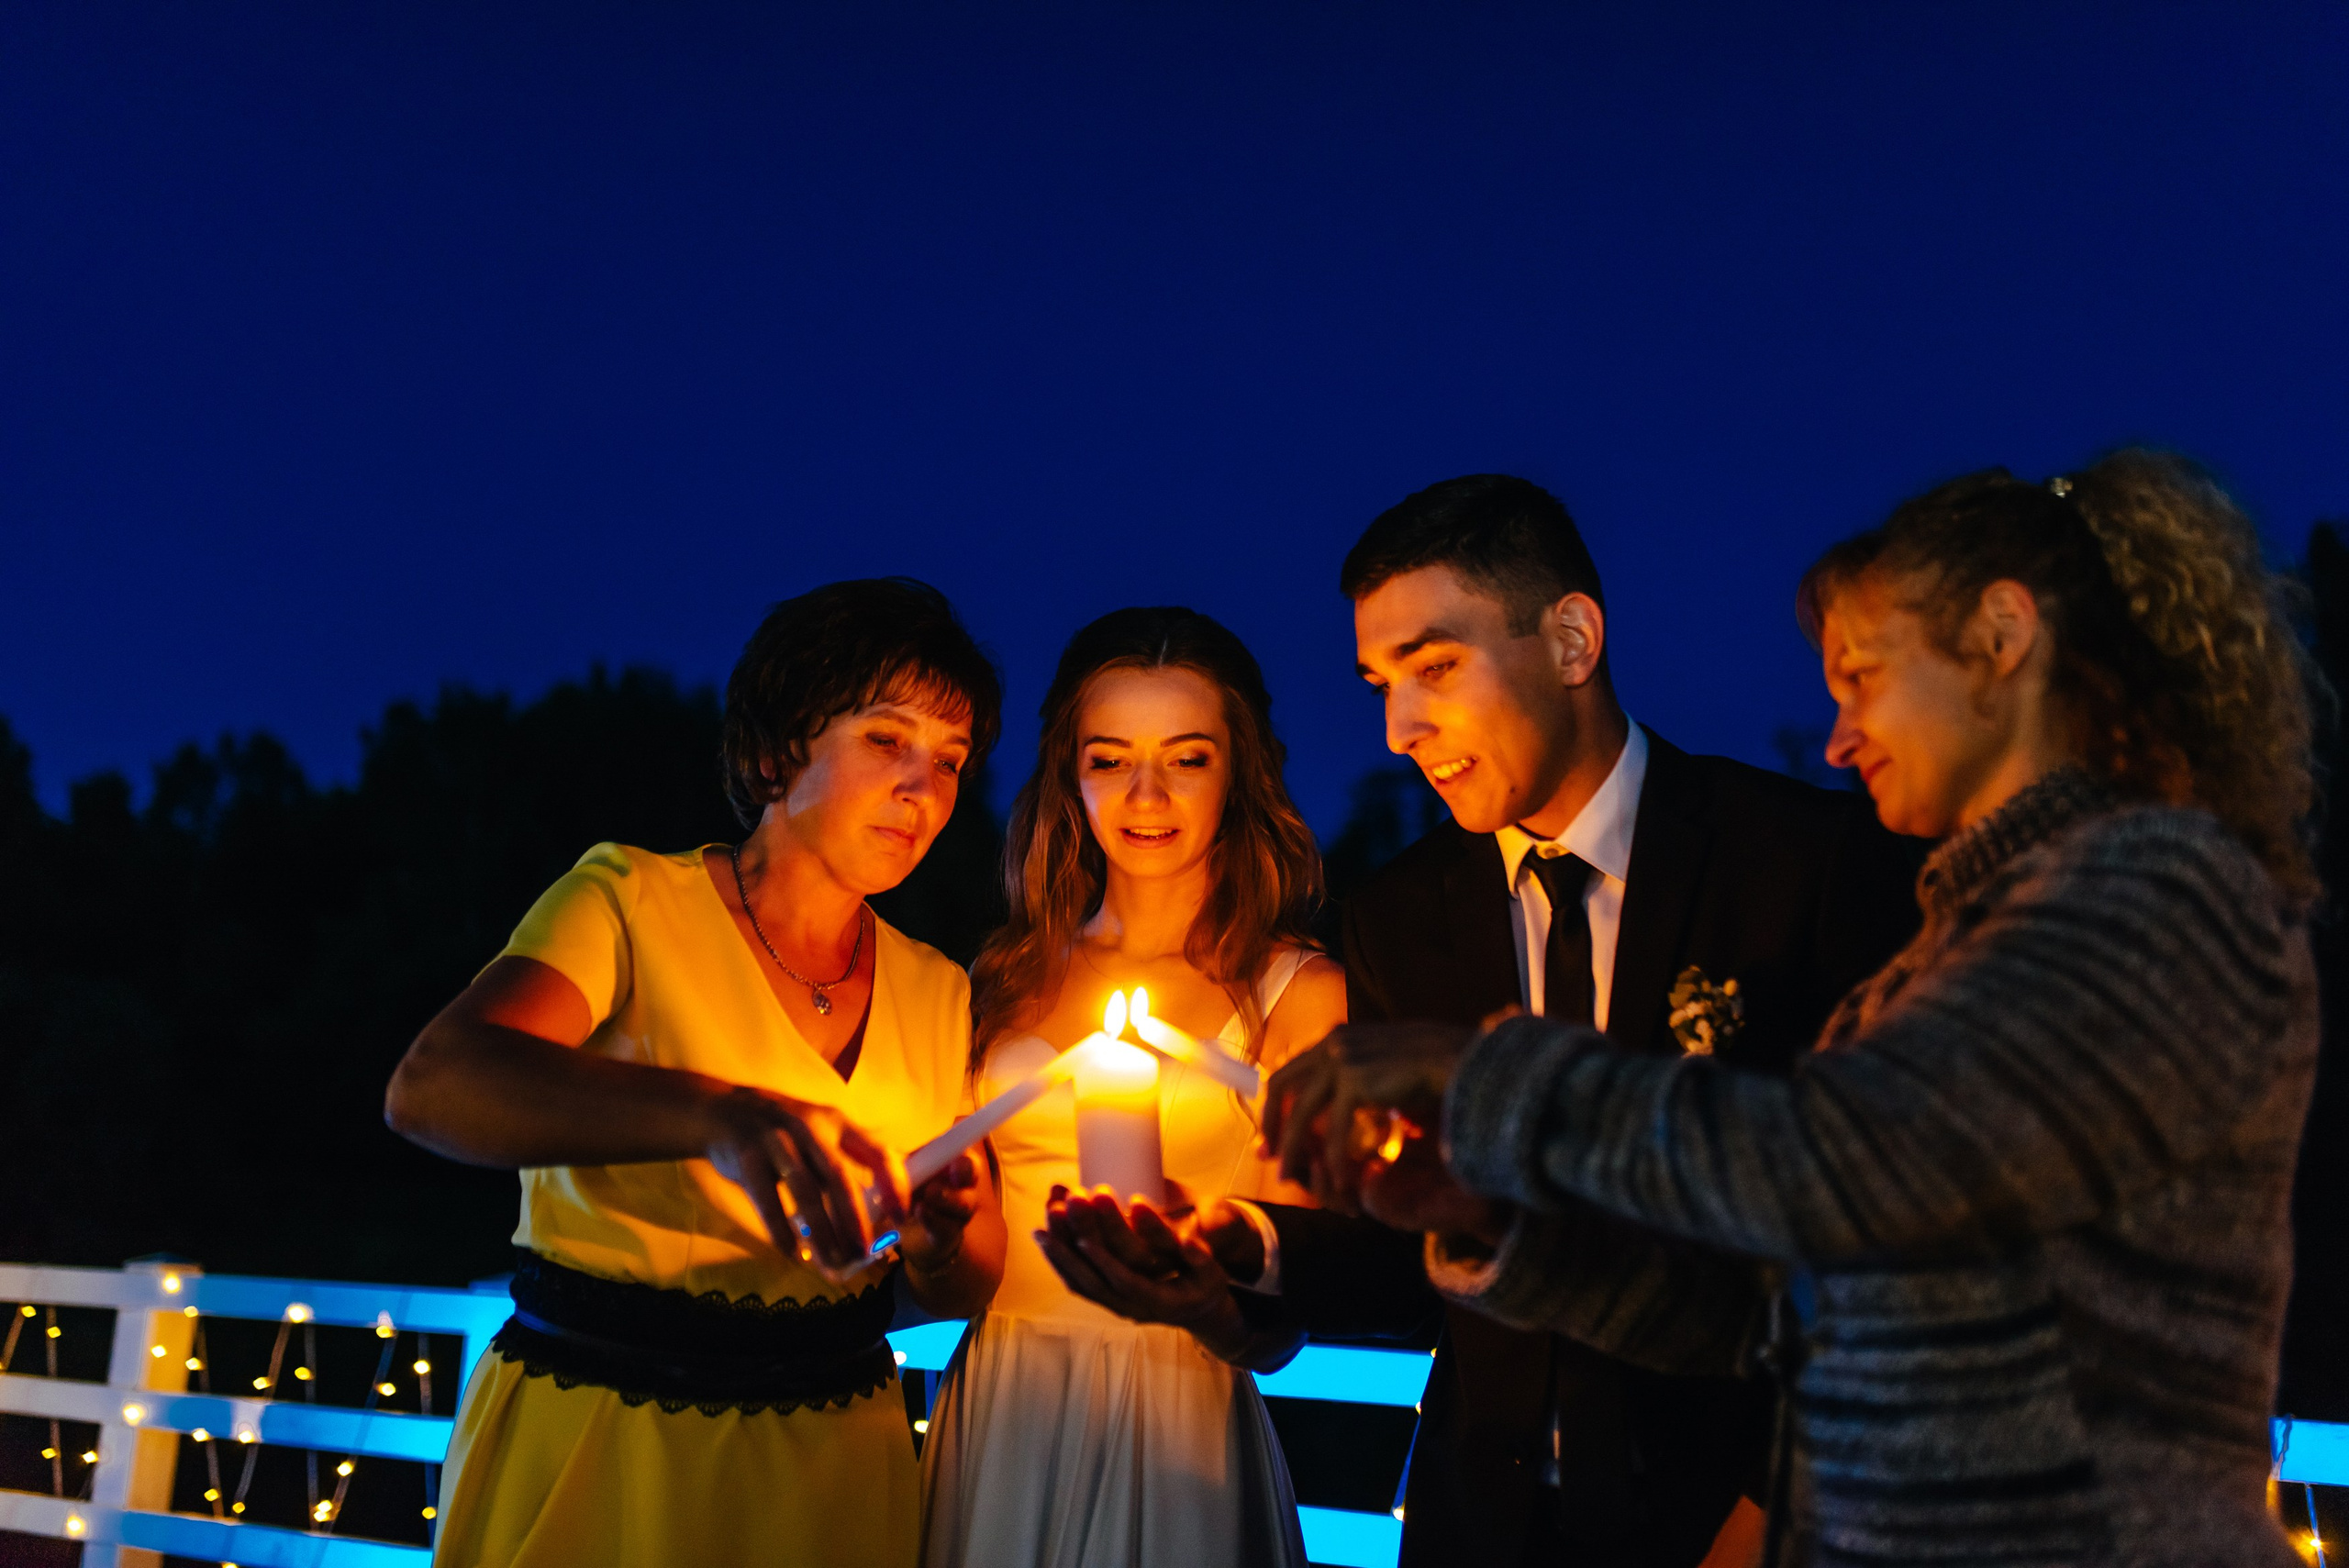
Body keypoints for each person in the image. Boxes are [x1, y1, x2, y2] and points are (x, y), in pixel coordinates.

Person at [1280, 452, 2323, 1566]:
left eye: (1862, 679)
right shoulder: (1960, 939)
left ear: (2002, 638)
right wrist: (1493, 1223)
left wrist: (1479, 1074)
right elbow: (1787, 1305)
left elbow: (1853, 1154)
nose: (1833, 738)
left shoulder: (2150, 885)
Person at [1052, 474, 1922, 1568]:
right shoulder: (1397, 915)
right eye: (1377, 682)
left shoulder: (1804, 865)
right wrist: (1246, 1245)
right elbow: (1413, 1238)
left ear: (1569, 639)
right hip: (1481, 1524)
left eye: (1433, 667)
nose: (1397, 727)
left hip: (1749, 1519)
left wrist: (1770, 1512)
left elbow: (1880, 1248)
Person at [384, 577, 1008, 1568]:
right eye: (886, 740)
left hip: (834, 1467)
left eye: (950, 759)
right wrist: (720, 1115)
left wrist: (940, 1232)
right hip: (604, 1444)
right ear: (774, 752)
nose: (922, 789)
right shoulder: (627, 899)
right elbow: (436, 1083)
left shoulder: (937, 988)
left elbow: (968, 1278)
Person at [917, 606, 1347, 1568]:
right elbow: (962, 1257)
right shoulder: (1004, 977)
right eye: (1109, 757)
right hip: (1003, 1398)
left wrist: (1201, 1290)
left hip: (1179, 1410)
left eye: (1187, 757)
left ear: (1237, 773)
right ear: (1069, 774)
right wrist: (930, 1230)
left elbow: (1293, 1299)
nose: (1144, 793)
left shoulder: (1297, 994)